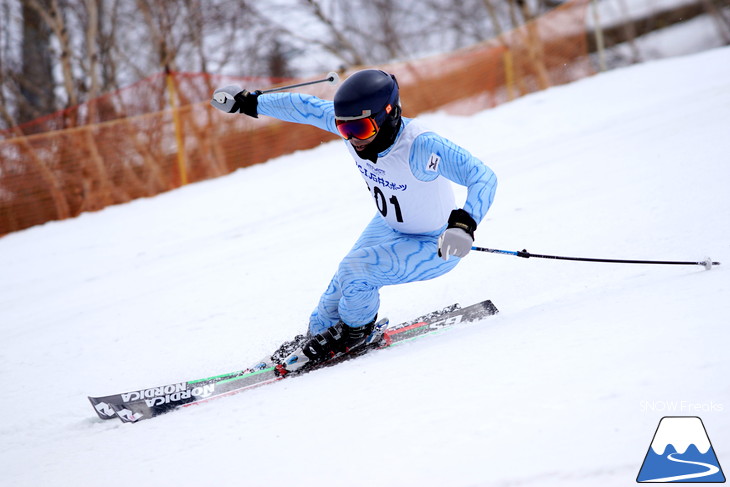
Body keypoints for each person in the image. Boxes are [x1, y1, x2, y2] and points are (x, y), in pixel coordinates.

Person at [211, 69, 497, 371]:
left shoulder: (421, 146)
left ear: (389, 115)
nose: (352, 139)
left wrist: (464, 225)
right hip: (390, 227)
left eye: (360, 130)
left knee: (355, 272)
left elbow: (482, 176)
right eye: (344, 130)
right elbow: (305, 107)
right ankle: (318, 337)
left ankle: (356, 334)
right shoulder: (353, 127)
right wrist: (248, 103)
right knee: (332, 299)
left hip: (435, 245)